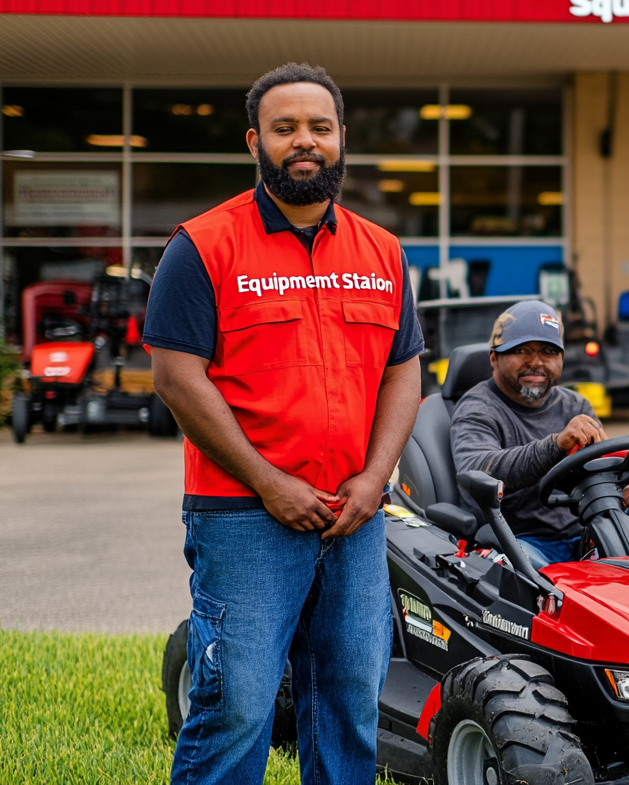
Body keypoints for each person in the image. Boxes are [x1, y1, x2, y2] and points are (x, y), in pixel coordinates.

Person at [145, 63, 423, 784]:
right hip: (244, 516)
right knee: (236, 702)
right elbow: (178, 378)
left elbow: (403, 370)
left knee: (350, 698)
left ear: (340, 139)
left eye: (319, 127)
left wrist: (375, 478)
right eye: (286, 128)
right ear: (254, 141)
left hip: (353, 518)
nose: (305, 141)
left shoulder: (382, 253)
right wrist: (270, 484)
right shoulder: (203, 246)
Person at [449, 300, 629, 568]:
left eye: (549, 352)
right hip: (524, 542)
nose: (537, 362)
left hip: (586, 530)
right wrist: (555, 446)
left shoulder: (575, 405)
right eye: (522, 351)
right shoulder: (477, 408)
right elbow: (478, 471)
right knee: (526, 571)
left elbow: (604, 463)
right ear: (494, 357)